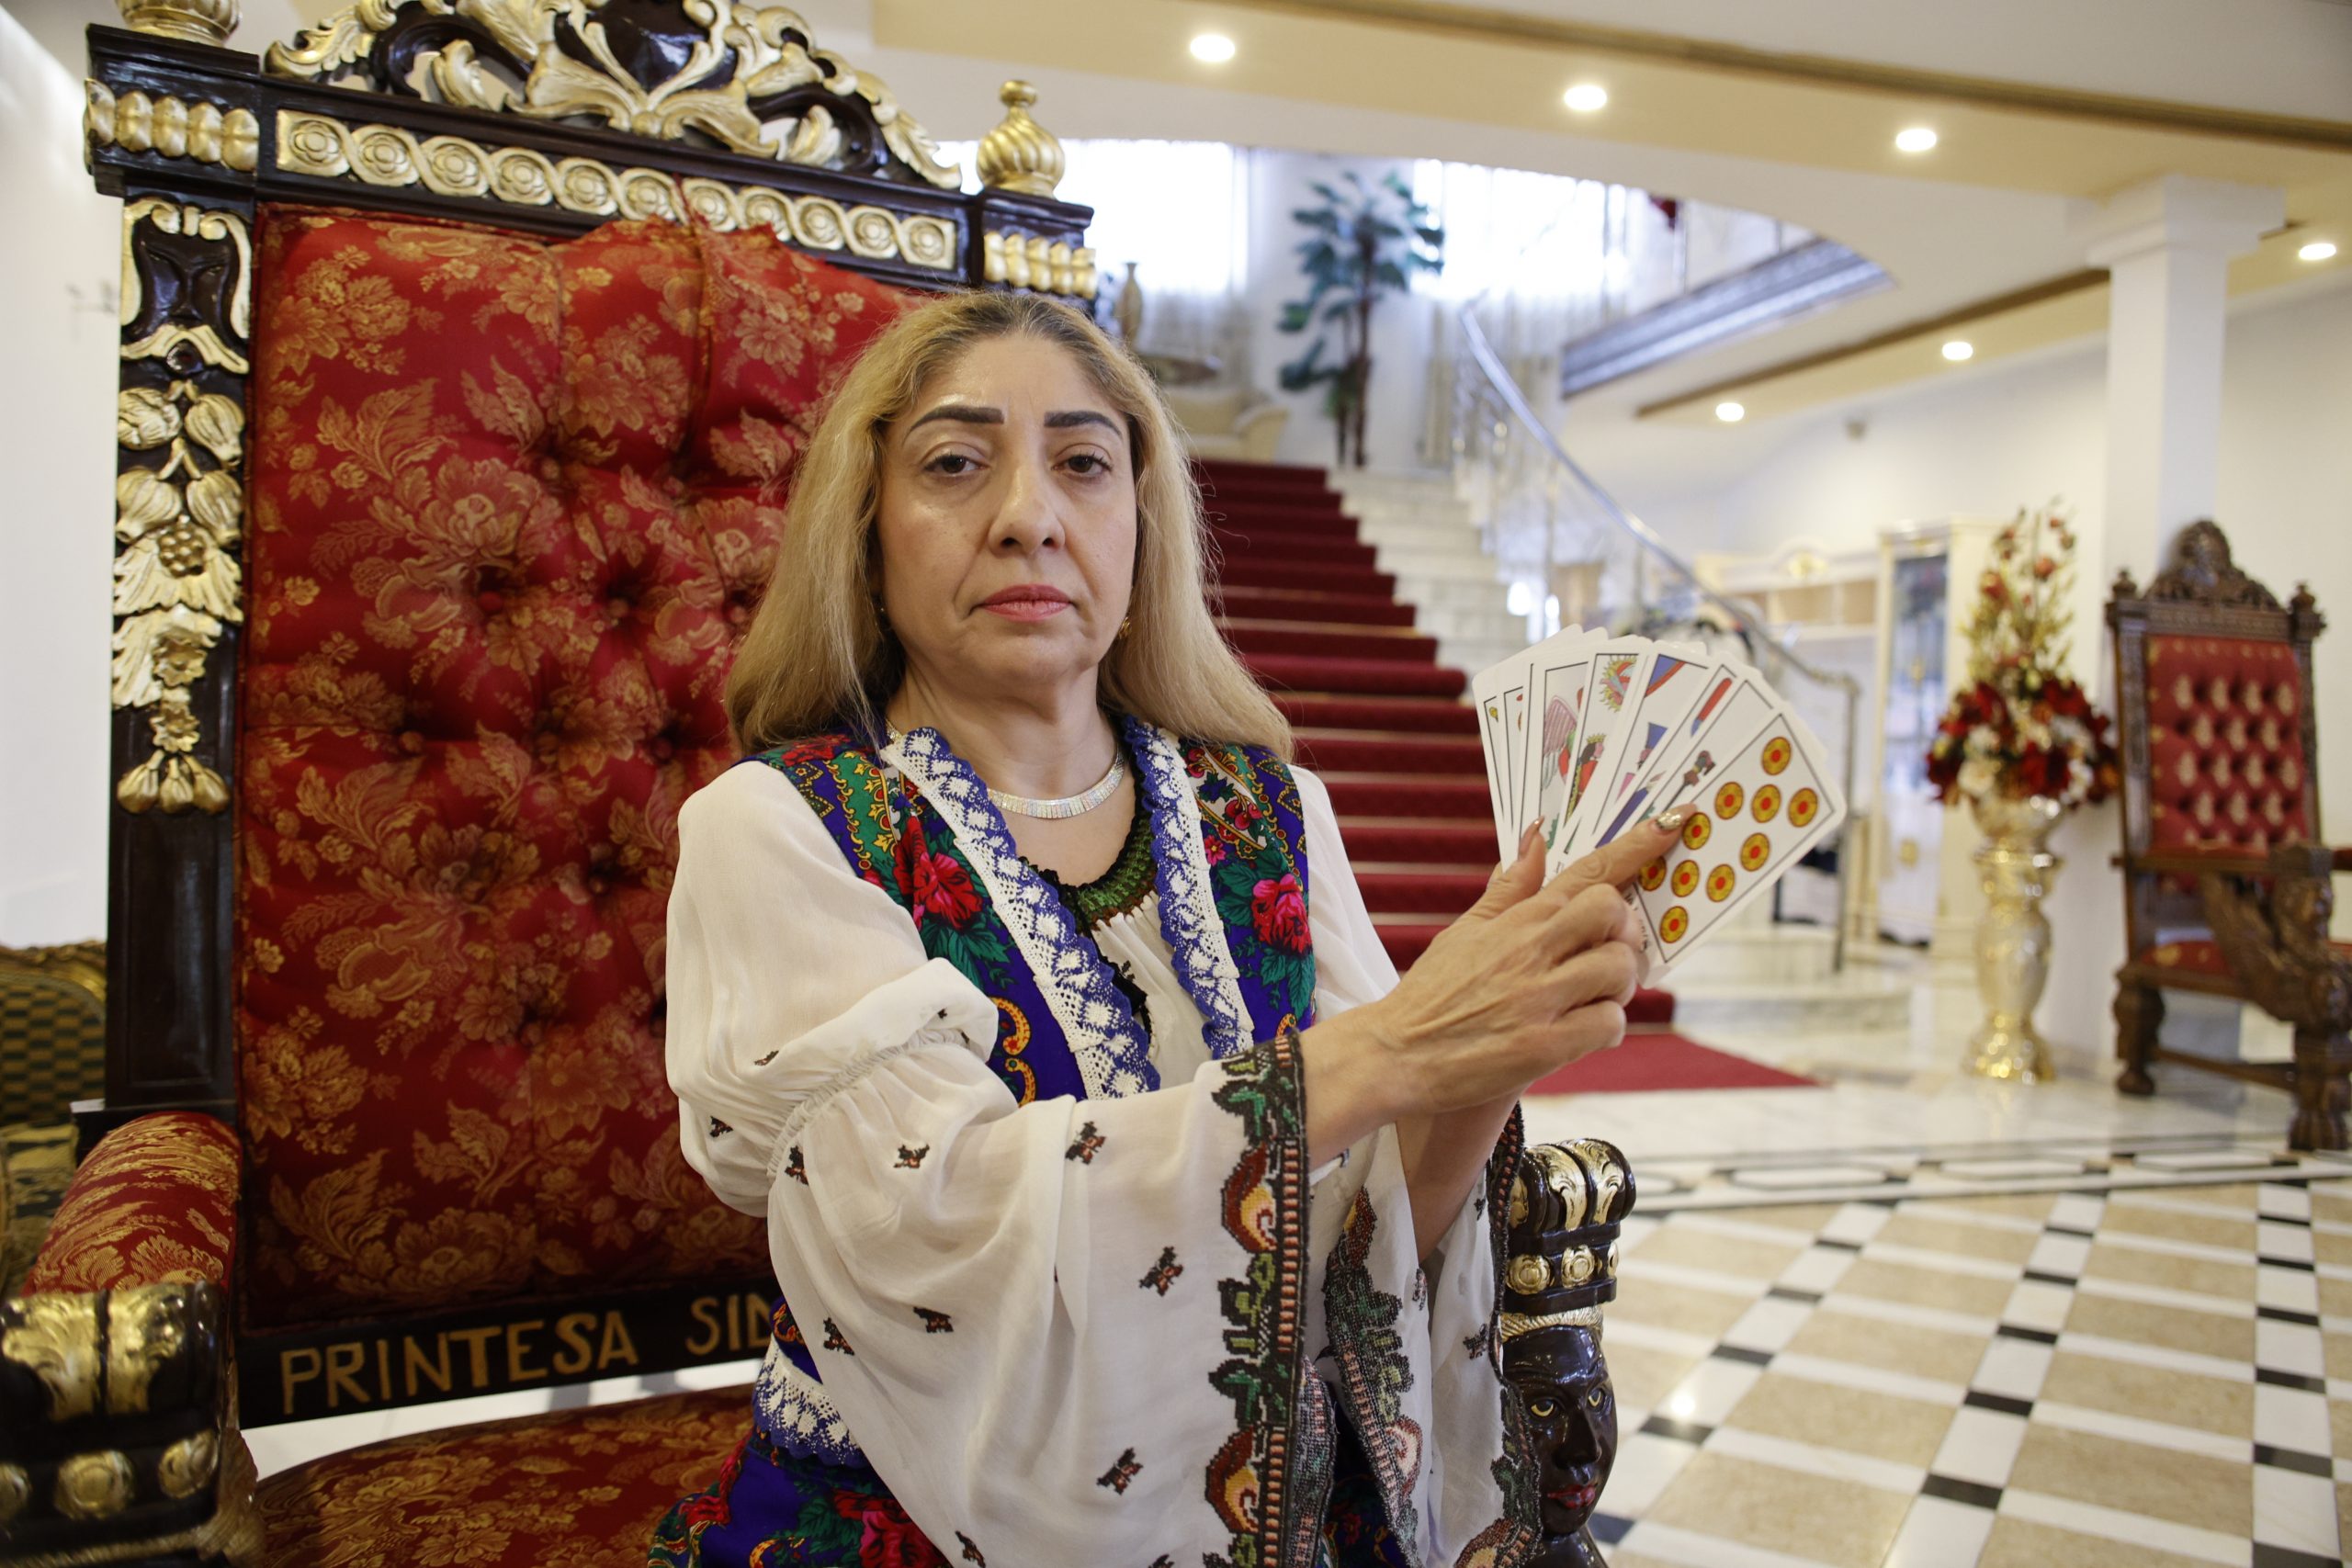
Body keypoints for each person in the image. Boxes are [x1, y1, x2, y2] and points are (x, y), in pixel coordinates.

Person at [650, 288, 1686, 1567]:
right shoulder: (780, 826)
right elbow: (927, 1232)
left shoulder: (1272, 812)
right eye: (956, 463)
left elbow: (1369, 1248)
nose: (1028, 516)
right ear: (865, 532)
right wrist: (1400, 1047)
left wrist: (1489, 1051)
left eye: (1084, 464)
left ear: (1142, 526)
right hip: (915, 1512)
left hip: (1276, 1504)